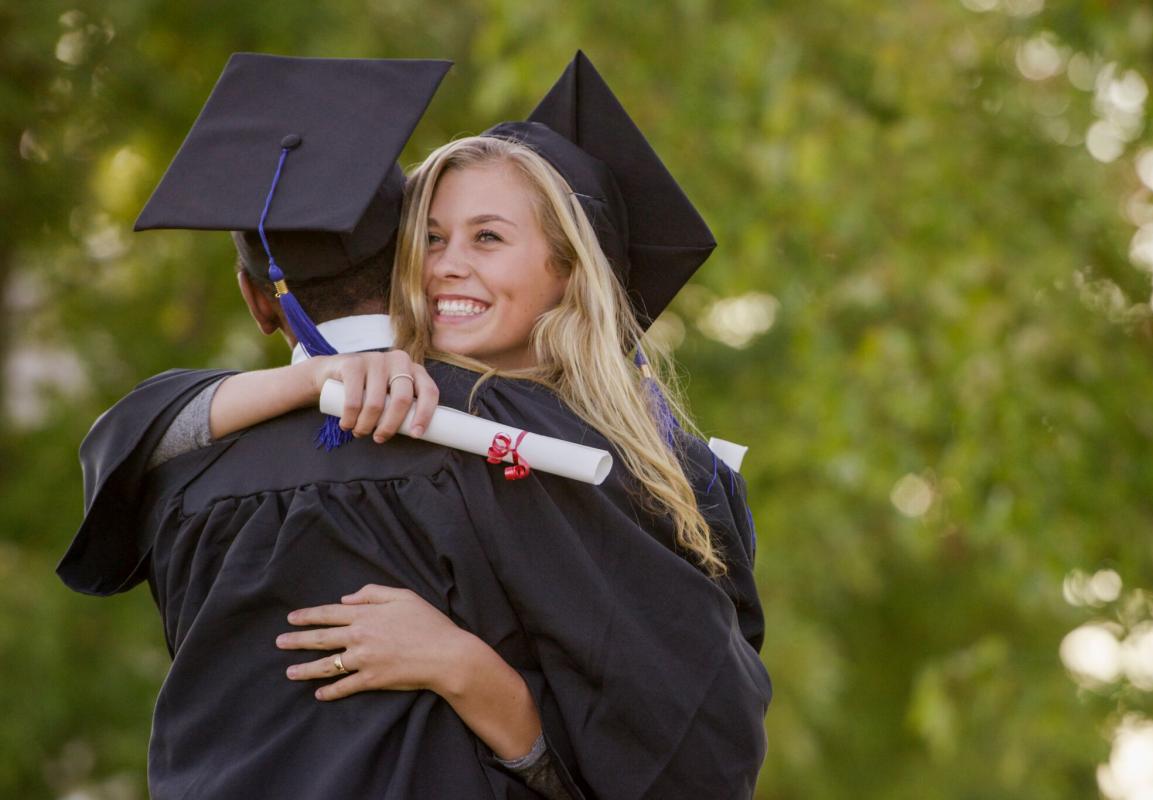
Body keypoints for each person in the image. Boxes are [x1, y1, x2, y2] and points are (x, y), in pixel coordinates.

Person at [197, 51, 770, 798]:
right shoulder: (391, 429)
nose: (446, 267)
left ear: (569, 268)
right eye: (432, 239)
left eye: (487, 238)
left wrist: (465, 670)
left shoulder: (670, 474)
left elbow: (691, 765)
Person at [60, 53, 571, 799]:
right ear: (415, 263)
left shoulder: (176, 468)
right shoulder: (513, 441)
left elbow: (127, 445)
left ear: (257, 300)